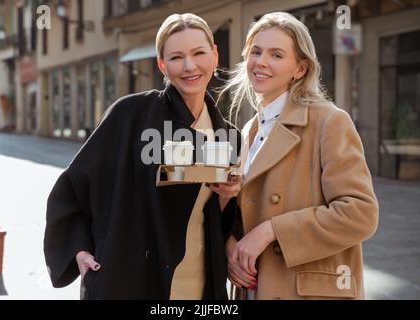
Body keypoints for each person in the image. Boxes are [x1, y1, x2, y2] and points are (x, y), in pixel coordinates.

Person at [44, 13, 240, 300]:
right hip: (130, 279)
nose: (189, 66)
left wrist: (227, 196)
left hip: (200, 283)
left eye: (199, 53)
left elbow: (220, 223)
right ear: (162, 64)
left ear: (214, 55)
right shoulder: (129, 116)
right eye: (176, 57)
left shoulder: (228, 135)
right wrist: (78, 250)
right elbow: (73, 187)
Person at [222, 12, 379, 300]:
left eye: (277, 55)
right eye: (255, 52)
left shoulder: (328, 121)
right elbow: (246, 211)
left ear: (300, 69)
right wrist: (232, 246)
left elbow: (360, 214)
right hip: (255, 287)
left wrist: (271, 231)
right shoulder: (249, 129)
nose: (262, 62)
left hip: (306, 290)